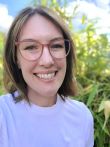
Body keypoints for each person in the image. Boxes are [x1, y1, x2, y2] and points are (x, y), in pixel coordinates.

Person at [0, 5, 94, 147]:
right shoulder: (3, 116)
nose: (47, 61)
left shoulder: (82, 116)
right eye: (31, 47)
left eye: (56, 46)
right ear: (15, 58)